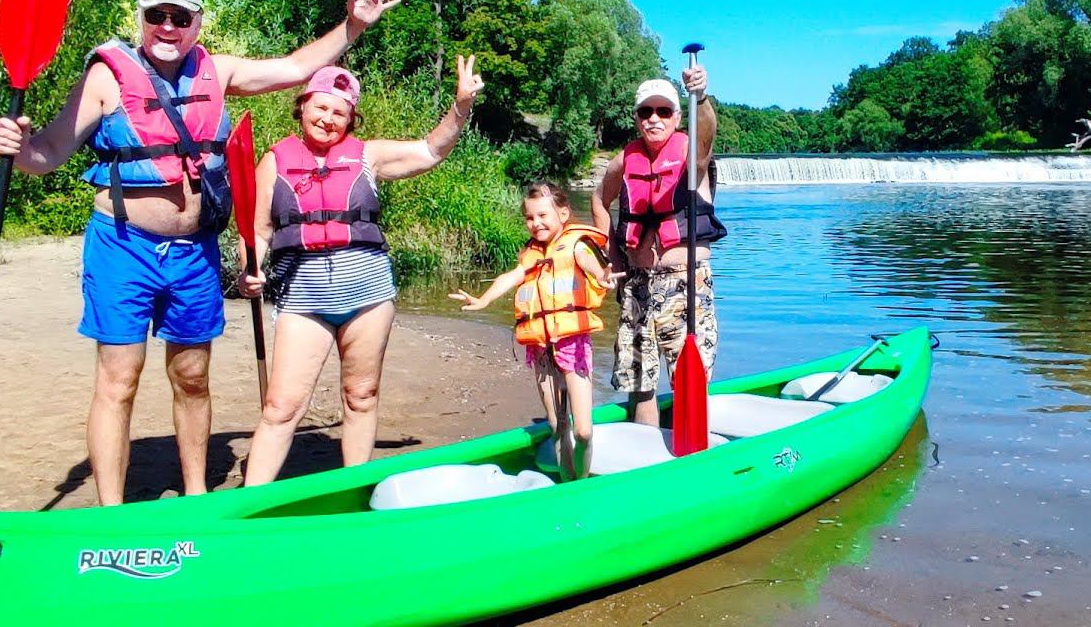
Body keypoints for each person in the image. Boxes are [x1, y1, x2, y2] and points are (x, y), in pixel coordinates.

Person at [0, 0, 400, 505]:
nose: (168, 26)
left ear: (197, 24)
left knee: (193, 376)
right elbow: (48, 153)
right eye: (157, 14)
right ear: (141, 17)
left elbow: (297, 68)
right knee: (119, 379)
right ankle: (113, 512)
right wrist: (15, 146)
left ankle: (198, 494)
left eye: (181, 18)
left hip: (195, 255)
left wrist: (353, 25)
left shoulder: (218, 70)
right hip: (122, 245)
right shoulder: (106, 77)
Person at [236, 55, 485, 485]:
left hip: (367, 297)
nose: (327, 118)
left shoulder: (368, 156)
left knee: (361, 396)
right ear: (303, 106)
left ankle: (358, 491)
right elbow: (256, 231)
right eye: (320, 106)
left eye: (339, 111)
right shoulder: (274, 160)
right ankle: (249, 500)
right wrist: (248, 272)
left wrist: (460, 105)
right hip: (303, 299)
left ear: (351, 119)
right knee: (280, 407)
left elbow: (430, 150)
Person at [448, 183, 618, 480]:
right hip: (540, 349)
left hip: (572, 344)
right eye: (529, 217)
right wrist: (484, 299)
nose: (536, 223)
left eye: (543, 215)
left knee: (584, 431)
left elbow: (591, 265)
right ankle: (568, 484)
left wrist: (602, 276)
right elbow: (510, 277)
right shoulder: (530, 255)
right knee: (557, 426)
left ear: (563, 213)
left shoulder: (576, 245)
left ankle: (583, 479)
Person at [590, 67, 726, 427]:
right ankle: (646, 460)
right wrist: (612, 255)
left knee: (688, 379)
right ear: (636, 118)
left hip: (685, 284)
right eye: (645, 112)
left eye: (663, 111)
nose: (654, 119)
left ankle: (691, 457)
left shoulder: (691, 153)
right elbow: (599, 200)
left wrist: (700, 97)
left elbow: (707, 133)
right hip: (636, 284)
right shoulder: (624, 160)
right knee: (640, 382)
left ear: (677, 117)